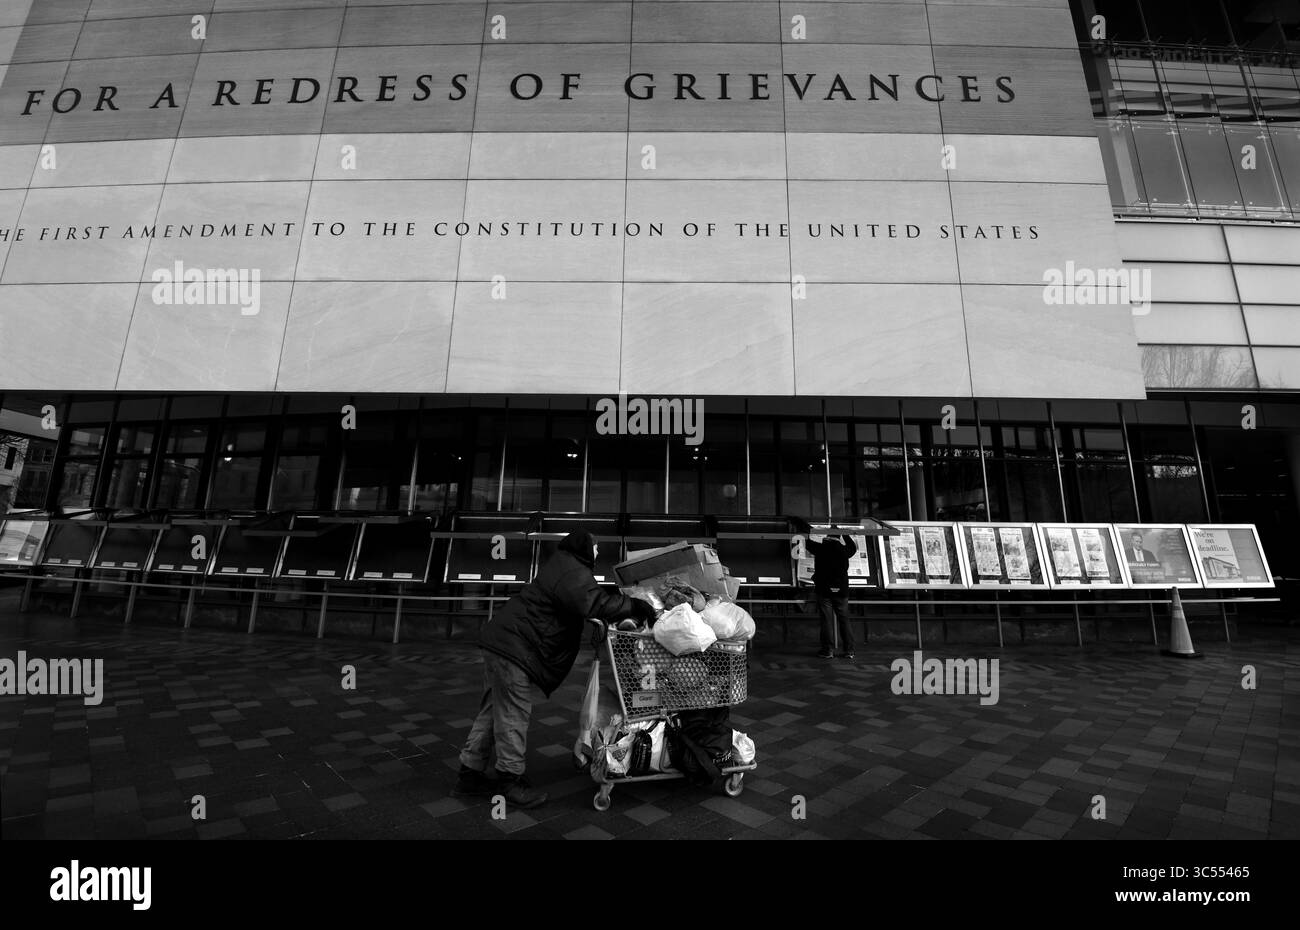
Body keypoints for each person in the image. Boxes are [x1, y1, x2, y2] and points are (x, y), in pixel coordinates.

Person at [452, 530, 655, 809]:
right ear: (584, 547)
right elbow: (595, 602)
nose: (597, 552)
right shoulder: (571, 570)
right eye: (595, 547)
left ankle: (469, 774)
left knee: (493, 711)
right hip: (515, 649)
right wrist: (636, 605)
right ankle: (510, 782)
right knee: (513, 714)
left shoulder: (565, 565)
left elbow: (588, 597)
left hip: (502, 643)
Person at [806, 531, 860, 660]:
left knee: (826, 620)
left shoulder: (820, 548)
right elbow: (853, 547)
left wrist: (808, 530)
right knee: (844, 619)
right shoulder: (844, 550)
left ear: (827, 537)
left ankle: (827, 650)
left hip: (824, 590)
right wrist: (844, 534)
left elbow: (806, 542)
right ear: (838, 537)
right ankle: (849, 650)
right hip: (841, 591)